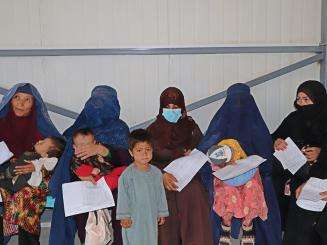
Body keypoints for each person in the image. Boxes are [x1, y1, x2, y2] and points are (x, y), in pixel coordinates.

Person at [198, 83, 282, 245]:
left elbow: (266, 155)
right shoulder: (220, 126)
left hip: (254, 177)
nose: (239, 107)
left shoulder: (256, 126)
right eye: (235, 103)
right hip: (224, 177)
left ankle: (248, 225)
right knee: (224, 190)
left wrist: (255, 167)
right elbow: (208, 151)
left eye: (243, 102)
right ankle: (226, 225)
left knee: (257, 186)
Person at [49, 85, 130, 245]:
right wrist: (81, 173)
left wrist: (102, 149)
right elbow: (64, 156)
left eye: (104, 104)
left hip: (111, 181)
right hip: (81, 179)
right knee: (69, 202)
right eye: (94, 103)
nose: (98, 109)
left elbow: (126, 160)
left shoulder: (119, 128)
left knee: (121, 201)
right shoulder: (78, 128)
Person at [147, 87, 213, 245]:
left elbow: (203, 150)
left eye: (175, 107)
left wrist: (194, 152)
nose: (171, 110)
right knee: (164, 206)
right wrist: (161, 175)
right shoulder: (152, 130)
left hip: (188, 177)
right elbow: (143, 161)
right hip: (161, 178)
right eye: (167, 107)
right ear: (161, 108)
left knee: (194, 193)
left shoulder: (190, 127)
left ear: (182, 108)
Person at [0, 83, 62, 245]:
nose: (21, 104)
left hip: (34, 181)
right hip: (5, 178)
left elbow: (59, 156)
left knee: (27, 197)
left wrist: (37, 167)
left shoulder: (42, 129)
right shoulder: (1, 125)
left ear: (34, 104)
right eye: (17, 98)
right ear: (9, 101)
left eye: (27, 100)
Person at [272, 80, 327, 245]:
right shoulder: (294, 118)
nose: (302, 104)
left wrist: (321, 153)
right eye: (299, 99)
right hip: (299, 174)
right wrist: (277, 141)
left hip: (322, 177)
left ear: (319, 100)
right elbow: (275, 135)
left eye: (306, 99)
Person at [208, 138, 268, 244]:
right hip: (226, 179)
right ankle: (226, 226)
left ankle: (247, 226)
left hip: (246, 175)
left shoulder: (233, 145)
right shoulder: (216, 154)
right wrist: (225, 166)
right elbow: (216, 169)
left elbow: (246, 161)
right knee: (228, 190)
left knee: (252, 186)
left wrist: (237, 163)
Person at [116, 129, 169, 245]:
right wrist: (124, 216)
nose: (144, 154)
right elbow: (123, 197)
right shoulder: (127, 175)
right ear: (131, 152)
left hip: (150, 216)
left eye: (148, 150)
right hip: (133, 218)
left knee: (151, 239)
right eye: (139, 150)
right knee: (134, 240)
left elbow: (160, 194)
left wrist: (161, 212)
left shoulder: (156, 173)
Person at [0, 137, 65, 193]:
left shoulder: (50, 160)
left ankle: (5, 174)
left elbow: (52, 163)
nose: (39, 141)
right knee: (26, 156)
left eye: (42, 143)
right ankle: (7, 177)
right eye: (42, 140)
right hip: (16, 179)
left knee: (26, 155)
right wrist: (16, 161)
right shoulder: (36, 156)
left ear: (47, 153)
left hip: (24, 182)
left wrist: (36, 166)